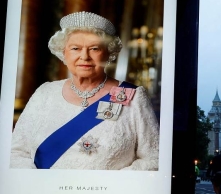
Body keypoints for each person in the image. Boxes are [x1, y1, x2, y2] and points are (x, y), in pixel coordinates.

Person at [10, 11, 159, 170]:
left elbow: (154, 158)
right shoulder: (44, 93)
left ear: (108, 53)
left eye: (94, 48)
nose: (84, 57)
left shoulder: (133, 96)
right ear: (63, 53)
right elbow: (17, 152)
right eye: (75, 48)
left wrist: (112, 186)